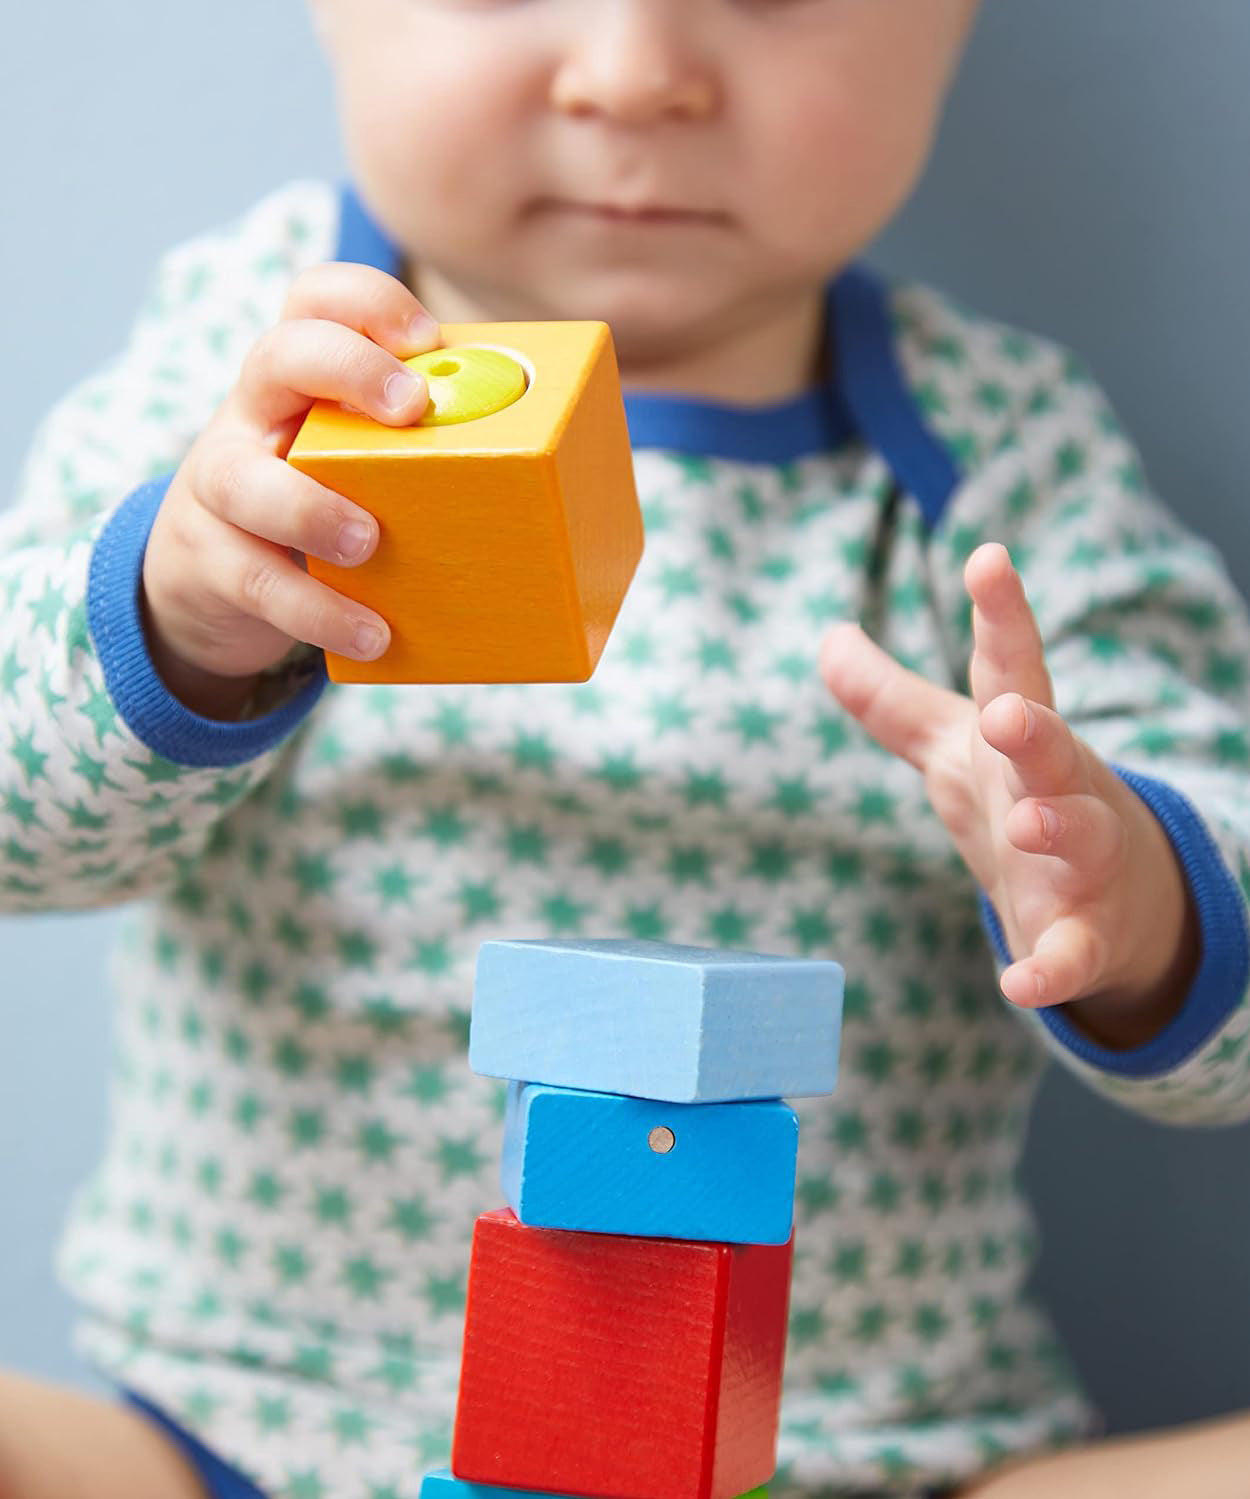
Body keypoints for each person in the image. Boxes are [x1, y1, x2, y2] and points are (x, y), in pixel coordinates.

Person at [2, 3, 1249, 1497]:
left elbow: (1225, 1001)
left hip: (858, 1453)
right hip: (243, 1433)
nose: (633, 74)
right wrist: (175, 615)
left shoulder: (998, 449)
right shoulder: (240, 375)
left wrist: (1132, 899)